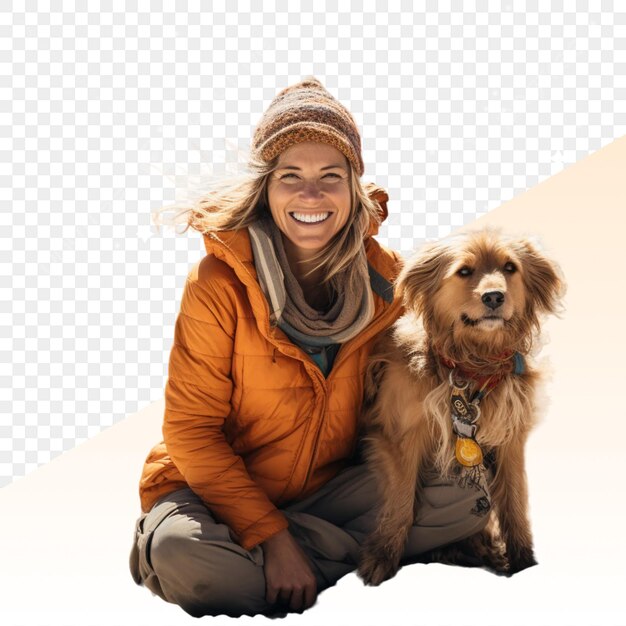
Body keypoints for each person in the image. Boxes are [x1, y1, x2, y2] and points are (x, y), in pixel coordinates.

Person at [128, 76, 490, 618]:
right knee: (185, 556)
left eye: (330, 177)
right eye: (290, 176)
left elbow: (421, 384)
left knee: (469, 490)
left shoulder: (387, 283)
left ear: (354, 188)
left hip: (328, 492)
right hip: (213, 496)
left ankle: (286, 568)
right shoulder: (218, 284)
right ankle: (300, 559)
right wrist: (270, 536)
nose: (310, 195)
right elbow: (190, 432)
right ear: (266, 189)